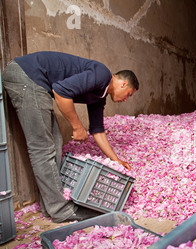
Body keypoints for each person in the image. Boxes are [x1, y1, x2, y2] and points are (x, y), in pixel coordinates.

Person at [2, 51, 139, 223]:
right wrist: (77, 126)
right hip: (27, 76)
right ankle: (60, 210)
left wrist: (116, 160)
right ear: (123, 84)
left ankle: (50, 205)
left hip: (35, 82)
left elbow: (98, 131)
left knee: (55, 143)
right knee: (42, 148)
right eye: (129, 94)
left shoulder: (99, 95)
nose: (126, 100)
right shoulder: (102, 74)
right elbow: (60, 92)